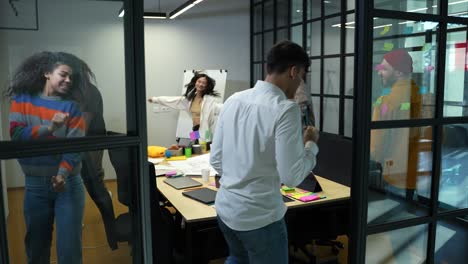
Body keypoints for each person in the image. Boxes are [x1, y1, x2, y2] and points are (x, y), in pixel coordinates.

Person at [210, 40, 320, 263]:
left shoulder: (234, 100)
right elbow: (291, 176)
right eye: (301, 77)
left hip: (225, 210)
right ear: (293, 71)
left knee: (237, 258)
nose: (300, 83)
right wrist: (310, 145)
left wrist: (241, 172)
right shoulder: (284, 109)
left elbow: (216, 159)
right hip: (260, 219)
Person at [6, 51, 86, 263]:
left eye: (71, 77)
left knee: (69, 251)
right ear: (46, 73)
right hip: (34, 186)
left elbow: (75, 147)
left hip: (67, 184)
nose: (68, 80)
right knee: (36, 248)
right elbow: (16, 135)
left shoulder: (72, 107)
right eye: (63, 74)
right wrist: (50, 127)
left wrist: (61, 175)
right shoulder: (22, 101)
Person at [63, 53, 118, 250]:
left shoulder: (89, 92)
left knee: (93, 180)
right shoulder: (67, 92)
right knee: (74, 181)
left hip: (91, 142)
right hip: (76, 143)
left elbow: (81, 125)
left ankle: (112, 234)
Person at [371, 49, 422, 200]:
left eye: (384, 69)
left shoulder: (385, 102)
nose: (379, 72)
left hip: (394, 172)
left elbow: (377, 141)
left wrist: (375, 159)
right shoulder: (422, 97)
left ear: (399, 73)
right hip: (416, 170)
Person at [148, 72, 223, 141]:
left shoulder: (209, 100)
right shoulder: (189, 99)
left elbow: (220, 108)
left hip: (206, 130)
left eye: (204, 83)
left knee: (205, 149)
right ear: (195, 82)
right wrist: (155, 99)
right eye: (199, 81)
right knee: (194, 147)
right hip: (194, 129)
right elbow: (172, 100)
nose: (200, 84)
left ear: (207, 86)